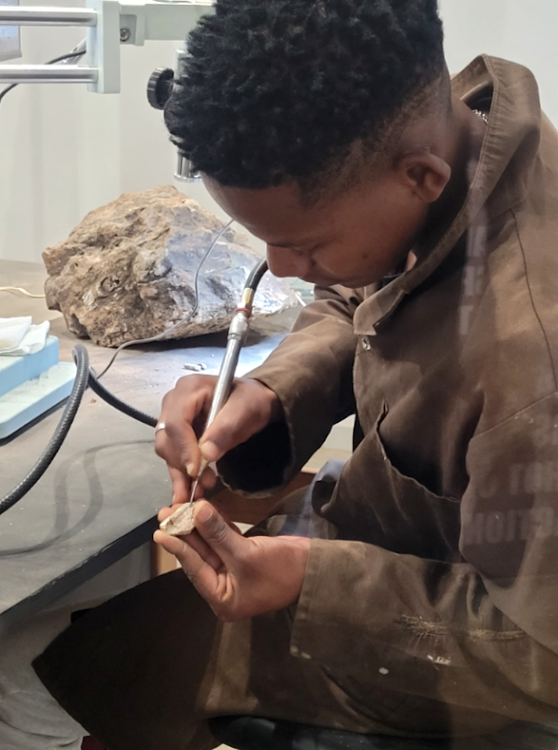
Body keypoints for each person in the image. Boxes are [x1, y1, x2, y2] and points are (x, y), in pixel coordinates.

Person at [3, 0, 558, 748]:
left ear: (418, 176)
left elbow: (542, 656)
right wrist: (270, 393)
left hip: (479, 649)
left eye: (303, 243)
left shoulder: (535, 362)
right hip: (389, 546)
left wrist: (311, 583)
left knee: (43, 679)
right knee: (86, 652)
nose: (282, 271)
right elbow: (357, 290)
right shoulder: (440, 144)